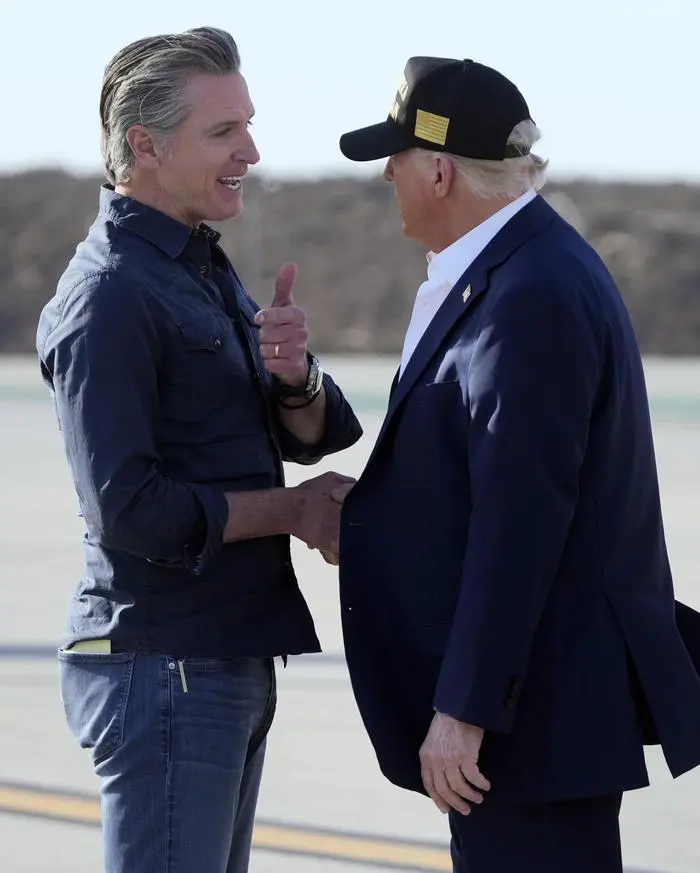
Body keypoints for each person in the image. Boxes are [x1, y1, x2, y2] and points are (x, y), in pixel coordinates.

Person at [335, 55, 700, 873]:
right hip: (533, 714)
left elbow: (522, 520)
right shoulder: (514, 268)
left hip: (532, 721)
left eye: (395, 157)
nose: (386, 174)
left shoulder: (528, 292)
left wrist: (465, 710)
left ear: (437, 171)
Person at [36, 27, 361, 873]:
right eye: (224, 132)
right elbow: (130, 510)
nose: (249, 150)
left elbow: (305, 429)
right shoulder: (109, 296)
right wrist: (293, 511)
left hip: (219, 658)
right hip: (165, 669)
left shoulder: (196, 266)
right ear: (145, 145)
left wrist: (295, 376)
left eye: (246, 126)